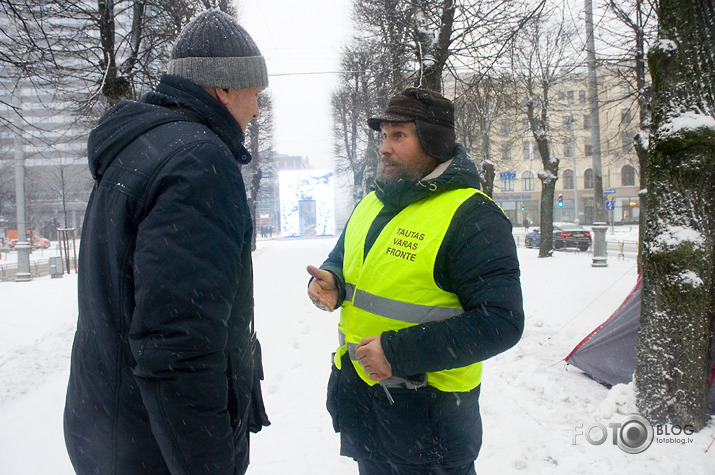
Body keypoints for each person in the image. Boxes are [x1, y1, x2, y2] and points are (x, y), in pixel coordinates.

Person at [63, 10, 268, 474]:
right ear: (225, 89)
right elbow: (179, 344)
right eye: (256, 95)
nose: (257, 111)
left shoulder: (141, 147)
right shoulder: (199, 163)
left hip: (111, 428)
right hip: (157, 446)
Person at [307, 87, 524, 474]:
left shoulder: (473, 216)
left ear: (433, 141)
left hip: (430, 431)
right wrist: (333, 281)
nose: (384, 147)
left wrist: (397, 351)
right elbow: (344, 260)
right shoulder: (373, 202)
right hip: (367, 412)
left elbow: (501, 322)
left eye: (398, 136)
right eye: (383, 136)